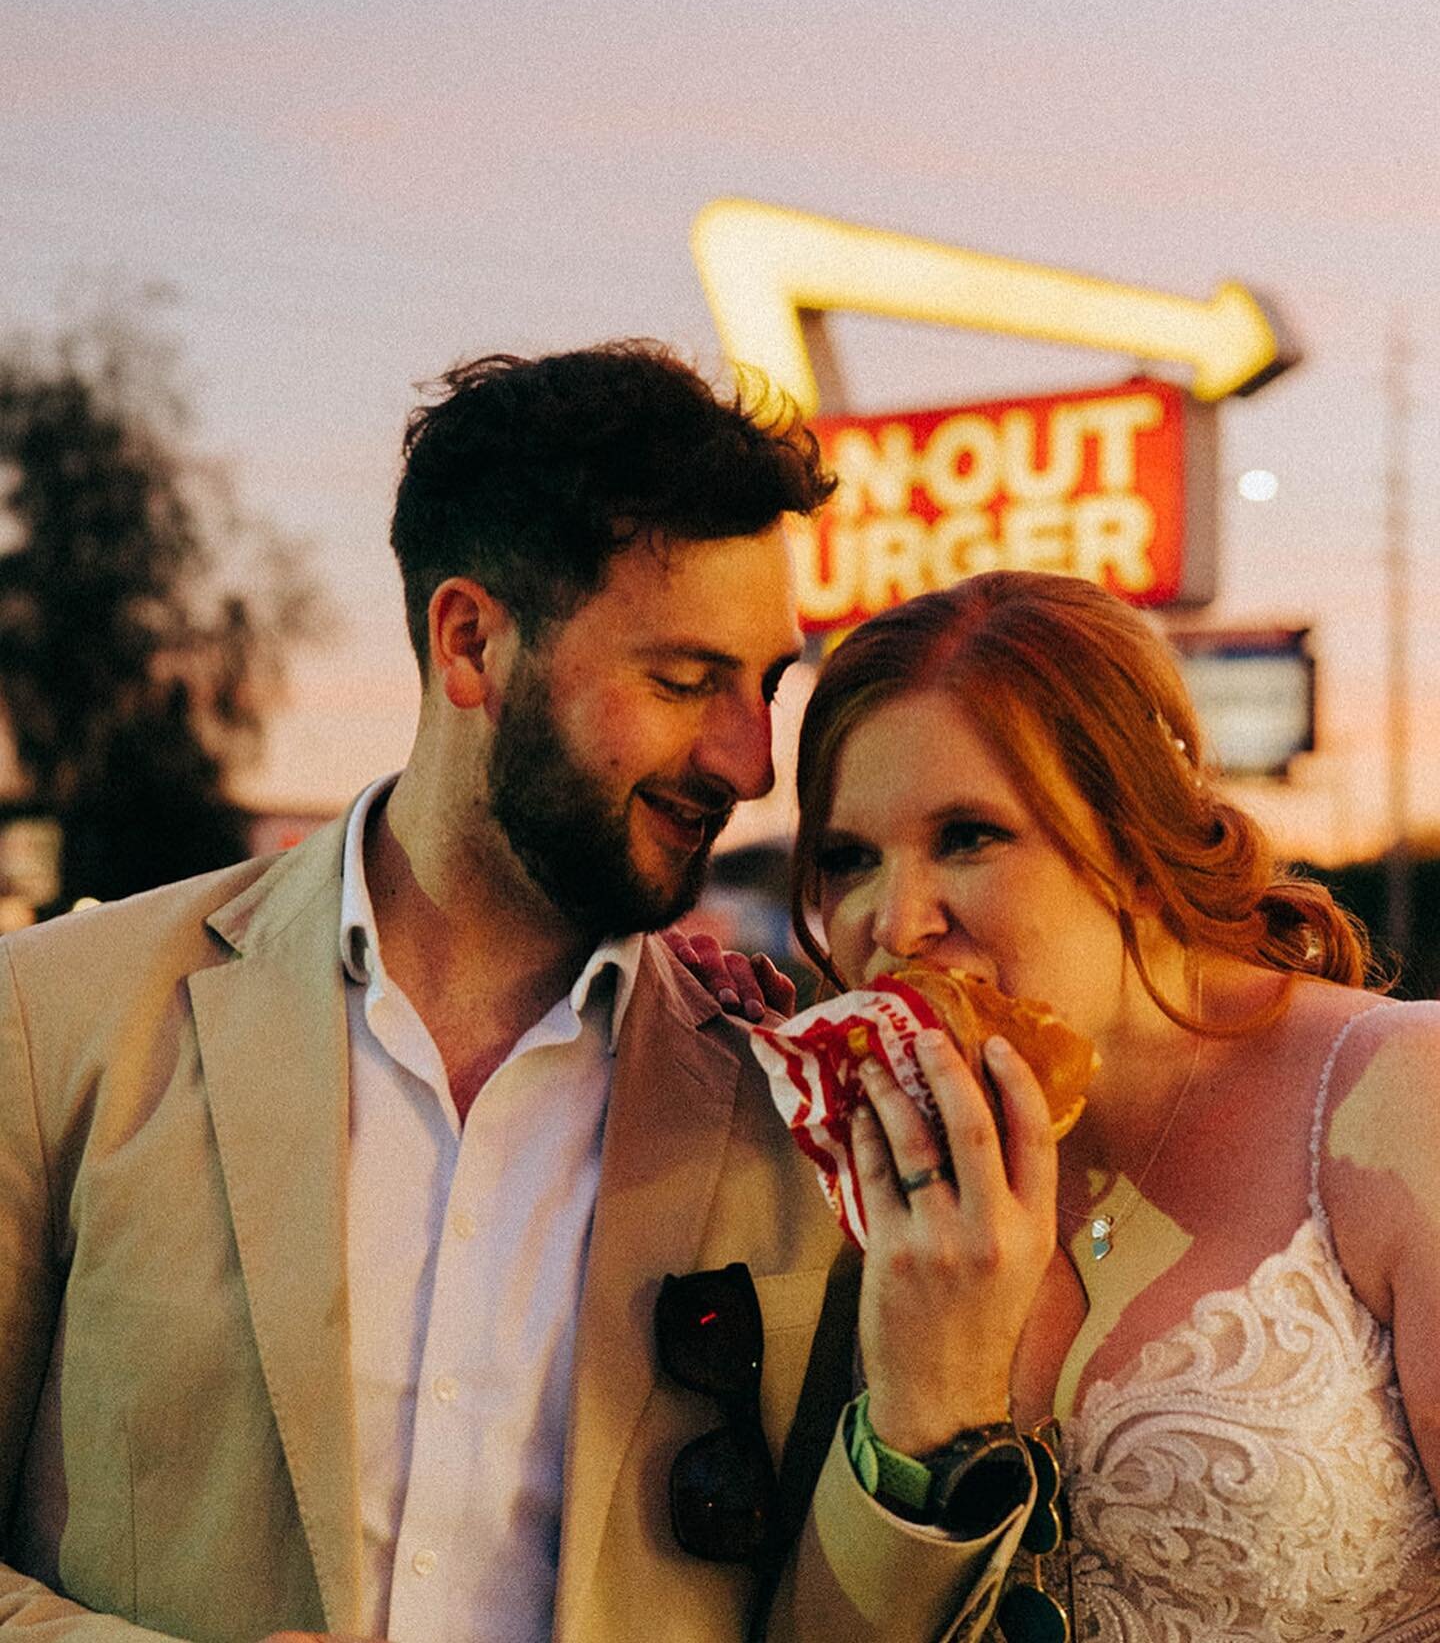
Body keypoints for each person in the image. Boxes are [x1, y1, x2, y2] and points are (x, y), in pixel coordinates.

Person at [0, 343, 1031, 1643]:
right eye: (685, 680)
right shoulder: (57, 1022)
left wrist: (926, 1426)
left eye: (766, 685)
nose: (752, 762)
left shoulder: (801, 1110)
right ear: (473, 642)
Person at [687, 569, 1440, 1637]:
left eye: (968, 836)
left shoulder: (1401, 1094)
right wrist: (916, 1419)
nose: (894, 921)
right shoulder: (848, 1158)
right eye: (850, 858)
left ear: (1133, 846)